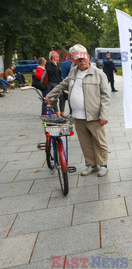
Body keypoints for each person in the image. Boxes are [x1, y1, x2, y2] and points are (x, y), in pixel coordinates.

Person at [45, 44, 111, 177]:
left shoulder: (99, 74)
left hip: (94, 115)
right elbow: (63, 84)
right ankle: (91, 164)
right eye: (77, 59)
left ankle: (102, 164)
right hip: (78, 116)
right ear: (74, 60)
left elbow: (105, 96)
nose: (81, 61)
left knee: (99, 141)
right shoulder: (73, 71)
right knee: (85, 142)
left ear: (87, 57)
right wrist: (50, 95)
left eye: (83, 58)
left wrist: (103, 115)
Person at [46, 50, 67, 116]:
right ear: (51, 58)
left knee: (62, 98)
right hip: (52, 83)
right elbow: (50, 72)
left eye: (58, 57)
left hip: (59, 83)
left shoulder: (59, 64)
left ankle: (62, 112)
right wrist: (54, 66)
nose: (57, 58)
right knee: (54, 99)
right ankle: (57, 113)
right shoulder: (48, 64)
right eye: (56, 57)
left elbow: (60, 74)